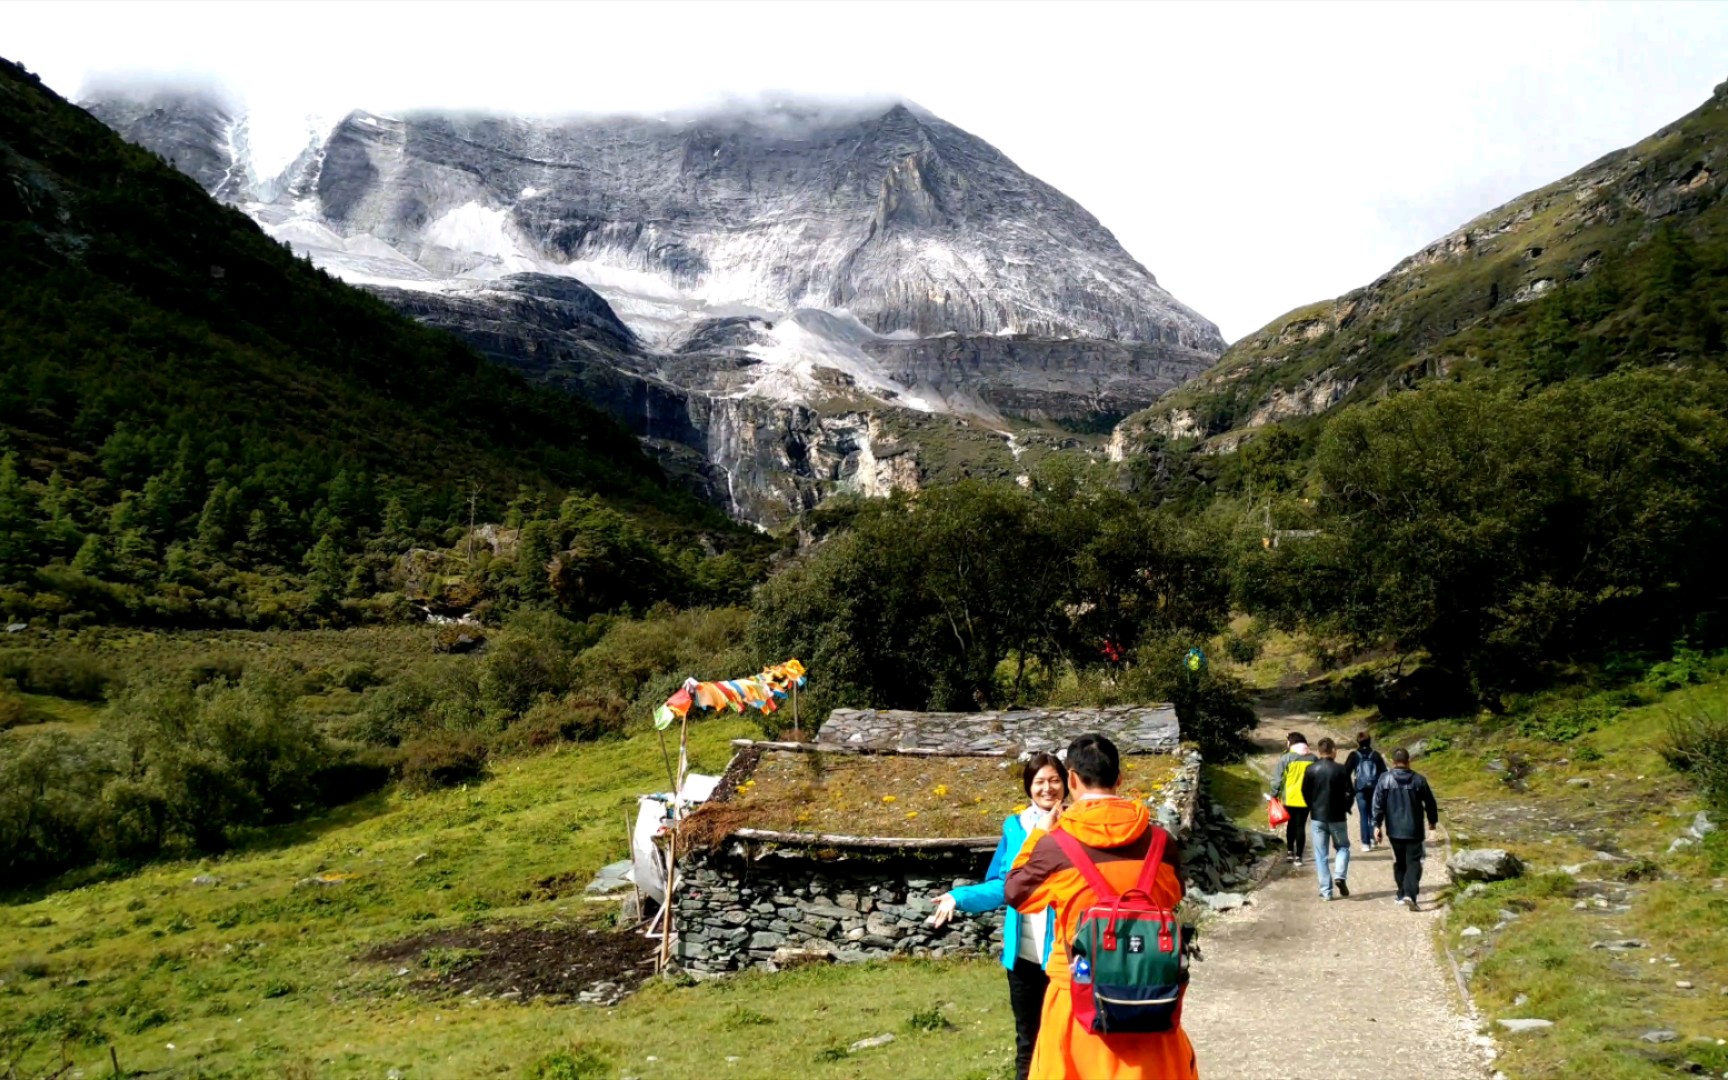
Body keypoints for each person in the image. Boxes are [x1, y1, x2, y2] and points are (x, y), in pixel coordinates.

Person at [1005, 734, 1198, 1080]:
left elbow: (1017, 893)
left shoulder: (1055, 847)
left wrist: (1039, 833)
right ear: (1120, 779)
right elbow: (1173, 895)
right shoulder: (1161, 844)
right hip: (1150, 1002)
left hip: (1077, 1005)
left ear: (1072, 780)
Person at [929, 752, 1067, 1080]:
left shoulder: (1078, 827)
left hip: (1066, 958)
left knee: (1066, 1043)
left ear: (1067, 783)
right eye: (1039, 782)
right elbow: (1002, 886)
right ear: (1028, 788)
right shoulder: (1015, 827)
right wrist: (957, 896)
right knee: (1028, 1044)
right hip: (1022, 959)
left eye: (1054, 780)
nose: (1047, 789)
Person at [1372, 747, 1440, 911]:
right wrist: (1432, 822)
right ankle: (1409, 894)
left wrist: (1376, 824)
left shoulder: (1385, 779)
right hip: (1414, 829)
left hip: (1394, 830)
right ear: (1409, 762)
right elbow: (1430, 803)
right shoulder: (1419, 780)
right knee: (1414, 863)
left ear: (1393, 762)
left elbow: (1378, 803)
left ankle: (1402, 893)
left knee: (1400, 862)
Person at [1299, 737, 1354, 901]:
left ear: (1319, 751)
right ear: (1333, 750)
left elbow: (1305, 792)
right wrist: (1346, 807)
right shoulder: (1341, 769)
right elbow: (1350, 792)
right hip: (1337, 816)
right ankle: (1340, 875)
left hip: (1317, 817)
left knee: (1321, 854)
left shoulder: (1311, 769)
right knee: (1343, 847)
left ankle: (1326, 891)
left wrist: (1312, 806)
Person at [1266, 732, 1317, 865]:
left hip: (1289, 797)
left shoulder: (1286, 758)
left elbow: (1277, 779)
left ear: (1291, 743)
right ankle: (1299, 857)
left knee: (1291, 825)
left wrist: (1274, 794)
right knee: (1301, 826)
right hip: (1306, 799)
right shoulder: (1313, 758)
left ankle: (1289, 852)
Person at [1343, 732, 1387, 852]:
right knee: (1373, 814)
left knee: (1363, 815)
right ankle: (1373, 839)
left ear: (1358, 742)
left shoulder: (1354, 755)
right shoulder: (1376, 755)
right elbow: (1384, 772)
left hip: (1360, 788)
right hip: (1374, 788)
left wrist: (1349, 788)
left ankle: (1365, 843)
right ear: (1370, 741)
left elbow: (1345, 772)